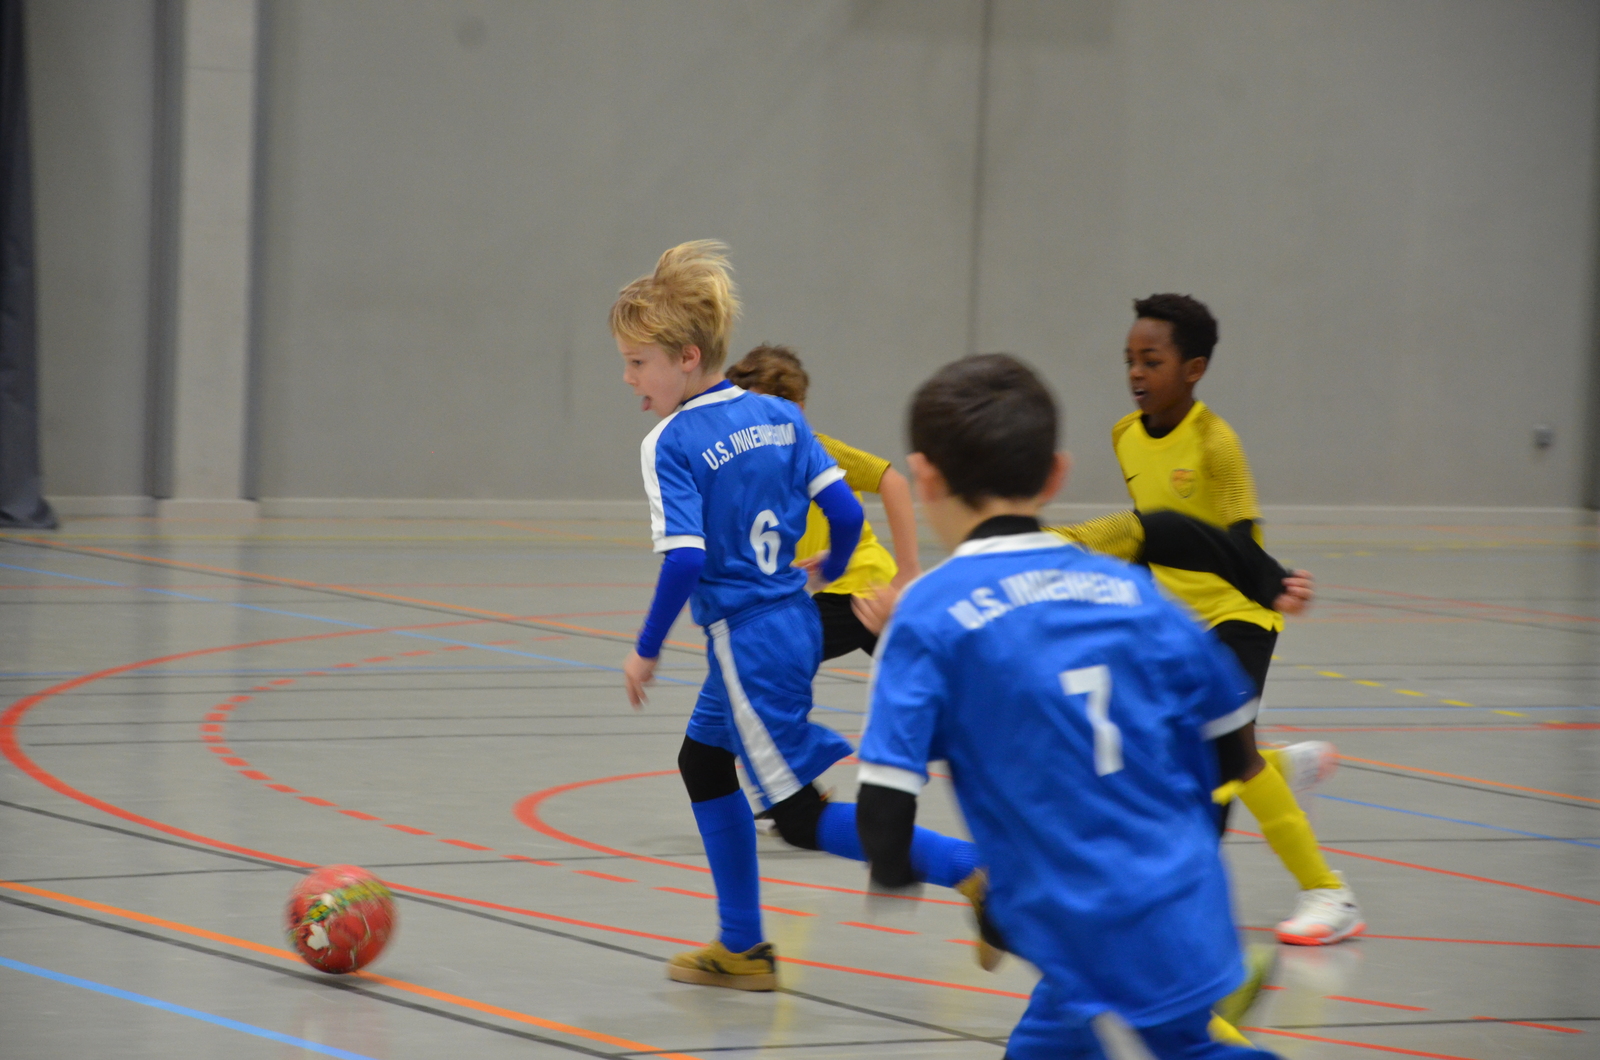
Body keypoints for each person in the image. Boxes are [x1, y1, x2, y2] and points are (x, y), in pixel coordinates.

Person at [856, 353, 1281, 1059]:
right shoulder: (1134, 591)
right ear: (1056, 474)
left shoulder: (927, 613)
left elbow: (885, 799)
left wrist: (894, 868)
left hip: (1077, 920)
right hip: (1187, 897)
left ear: (923, 476)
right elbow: (1235, 745)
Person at [612, 242, 983, 992]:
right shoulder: (780, 416)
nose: (629, 379)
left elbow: (684, 561)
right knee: (703, 762)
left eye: (637, 362)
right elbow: (845, 513)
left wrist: (646, 648)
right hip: (795, 618)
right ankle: (742, 947)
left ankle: (970, 870)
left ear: (686, 357)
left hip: (747, 640)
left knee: (800, 817)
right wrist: (832, 569)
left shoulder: (670, 442)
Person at [1105, 293, 1361, 946]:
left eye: (1151, 361)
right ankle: (1285, 771)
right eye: (1130, 359)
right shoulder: (1124, 436)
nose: (1136, 373)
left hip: (1238, 615)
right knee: (1193, 751)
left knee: (1229, 758)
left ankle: (1329, 893)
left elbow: (1239, 542)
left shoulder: (1216, 443)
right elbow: (1151, 535)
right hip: (1177, 625)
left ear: (1193, 369)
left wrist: (1275, 585)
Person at [725, 344, 918, 660]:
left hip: (859, 587)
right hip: (829, 586)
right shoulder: (755, 464)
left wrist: (908, 569)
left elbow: (893, 482)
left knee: (774, 655)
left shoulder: (818, 451)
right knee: (912, 673)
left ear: (797, 411)